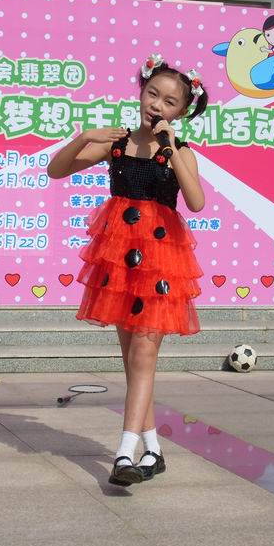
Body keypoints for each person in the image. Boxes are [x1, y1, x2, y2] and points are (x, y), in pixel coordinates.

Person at [48, 54, 209, 487]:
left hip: (160, 261)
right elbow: (55, 170)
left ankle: (124, 454)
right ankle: (152, 448)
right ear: (141, 92)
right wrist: (84, 136)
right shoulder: (116, 144)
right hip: (120, 260)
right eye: (153, 94)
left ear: (182, 111)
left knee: (143, 355)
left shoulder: (181, 152)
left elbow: (196, 202)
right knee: (134, 361)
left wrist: (171, 148)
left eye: (170, 102)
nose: (157, 105)